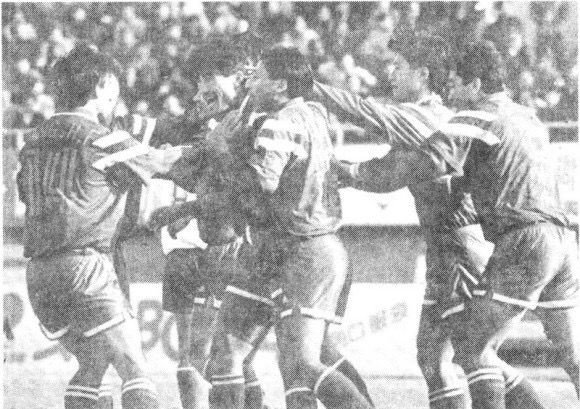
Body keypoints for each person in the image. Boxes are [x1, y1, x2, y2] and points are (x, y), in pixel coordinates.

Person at [338, 40, 580, 409]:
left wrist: (353, 172)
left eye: (455, 84)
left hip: (521, 240)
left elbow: (423, 164)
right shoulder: (528, 117)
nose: (449, 91)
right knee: (571, 355)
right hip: (563, 241)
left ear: (476, 85)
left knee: (473, 349)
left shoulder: (476, 116)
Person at [149, 46, 374, 409]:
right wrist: (191, 205)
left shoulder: (280, 123)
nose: (251, 84)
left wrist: (221, 151)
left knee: (303, 362)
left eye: (258, 77)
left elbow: (258, 187)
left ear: (280, 85)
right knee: (227, 355)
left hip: (301, 250)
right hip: (271, 249)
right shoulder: (312, 113)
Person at [16, 45, 186, 409]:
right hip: (83, 266)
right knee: (133, 367)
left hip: (39, 274)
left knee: (94, 365)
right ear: (102, 86)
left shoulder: (33, 142)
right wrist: (200, 147)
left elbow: (26, 194)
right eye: (115, 91)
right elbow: (163, 164)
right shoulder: (101, 137)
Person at [113, 38, 270, 409]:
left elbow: (238, 188)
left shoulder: (252, 121)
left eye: (207, 81)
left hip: (243, 249)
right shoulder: (212, 123)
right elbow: (184, 152)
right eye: (197, 84)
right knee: (216, 360)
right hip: (201, 251)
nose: (199, 94)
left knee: (220, 359)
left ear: (241, 74)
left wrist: (180, 207)